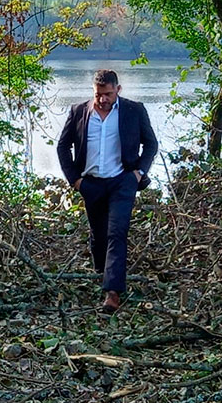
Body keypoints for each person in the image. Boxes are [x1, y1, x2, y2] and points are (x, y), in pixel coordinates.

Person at [56, 69, 158, 313]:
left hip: (122, 181)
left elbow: (151, 144)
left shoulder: (134, 110)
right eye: (98, 94)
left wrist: (138, 174)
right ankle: (101, 272)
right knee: (99, 235)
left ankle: (112, 293)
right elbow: (62, 147)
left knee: (117, 233)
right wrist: (75, 181)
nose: (103, 99)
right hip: (91, 183)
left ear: (118, 90)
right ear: (93, 91)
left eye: (108, 94)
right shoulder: (79, 112)